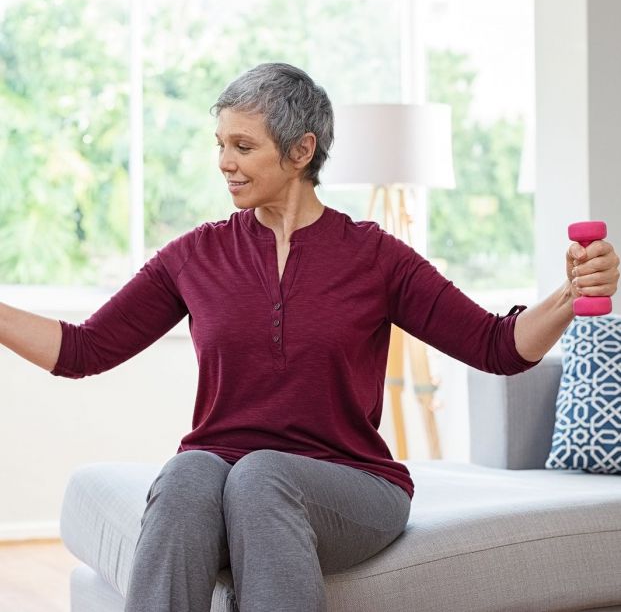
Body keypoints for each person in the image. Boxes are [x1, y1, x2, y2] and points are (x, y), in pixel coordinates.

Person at [1, 62, 619, 612]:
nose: (224, 162)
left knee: (262, 475)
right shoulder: (195, 256)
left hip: (352, 485)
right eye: (220, 145)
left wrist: (569, 294)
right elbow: (83, 350)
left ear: (301, 151)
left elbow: (497, 347)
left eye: (243, 146)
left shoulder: (374, 256)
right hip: (224, 471)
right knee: (190, 474)